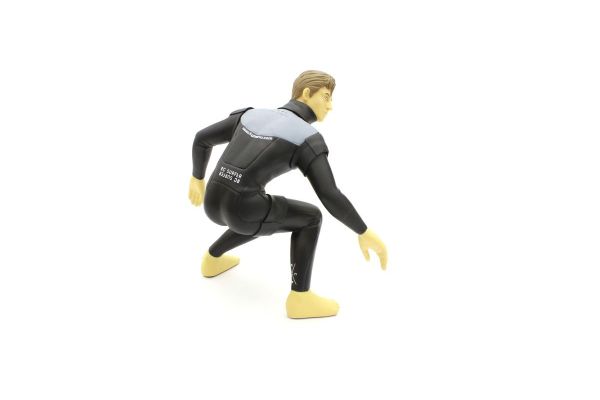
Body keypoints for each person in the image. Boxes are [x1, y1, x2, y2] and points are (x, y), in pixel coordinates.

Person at [189, 70, 387, 318]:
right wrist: (363, 231)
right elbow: (329, 194)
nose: (330, 106)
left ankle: (212, 258)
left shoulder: (250, 114)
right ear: (306, 93)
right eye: (326, 97)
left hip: (212, 202)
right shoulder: (308, 138)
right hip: (242, 212)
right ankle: (300, 298)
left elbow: (201, 139)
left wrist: (197, 178)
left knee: (262, 210)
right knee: (311, 217)